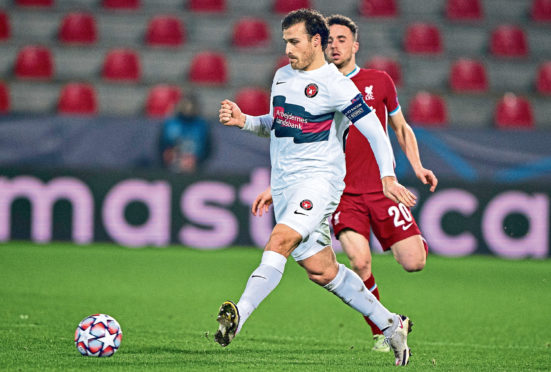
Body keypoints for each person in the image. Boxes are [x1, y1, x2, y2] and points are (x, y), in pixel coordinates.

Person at [216, 9, 416, 366]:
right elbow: (278, 124)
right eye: (285, 42)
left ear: (315, 42)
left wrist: (388, 174)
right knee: (322, 270)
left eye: (294, 42)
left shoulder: (337, 86)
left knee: (279, 239)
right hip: (286, 186)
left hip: (319, 184)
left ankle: (237, 316)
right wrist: (245, 121)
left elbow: (374, 129)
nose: (288, 49)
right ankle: (391, 325)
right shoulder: (281, 76)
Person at [159, 94, 210, 173]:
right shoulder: (170, 124)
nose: (188, 107)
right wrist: (171, 156)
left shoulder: (202, 125)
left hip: (195, 167)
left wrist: (197, 160)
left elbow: (208, 148)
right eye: (185, 104)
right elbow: (162, 146)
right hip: (172, 165)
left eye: (191, 105)